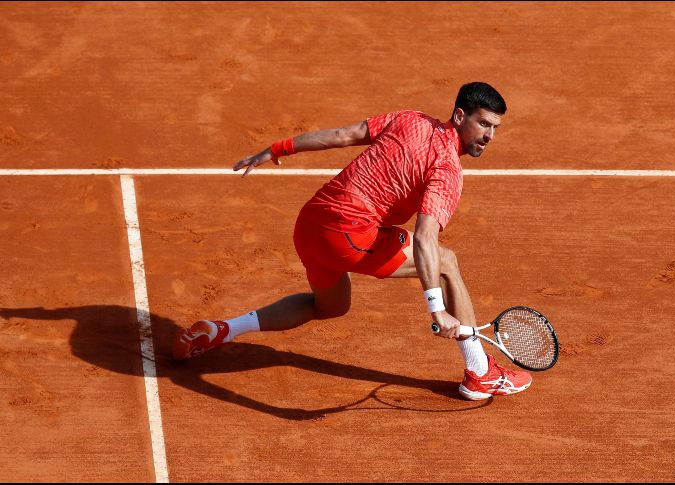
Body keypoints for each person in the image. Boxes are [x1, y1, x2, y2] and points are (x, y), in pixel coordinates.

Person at [172, 82, 532, 400]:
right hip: (348, 234)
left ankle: (221, 331)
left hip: (311, 222)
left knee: (329, 306)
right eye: (483, 124)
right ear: (458, 116)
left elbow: (346, 134)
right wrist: (436, 308)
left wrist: (278, 148)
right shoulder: (447, 169)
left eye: (495, 127)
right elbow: (425, 239)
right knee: (447, 262)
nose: (489, 136)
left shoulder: (411, 119)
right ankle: (479, 373)